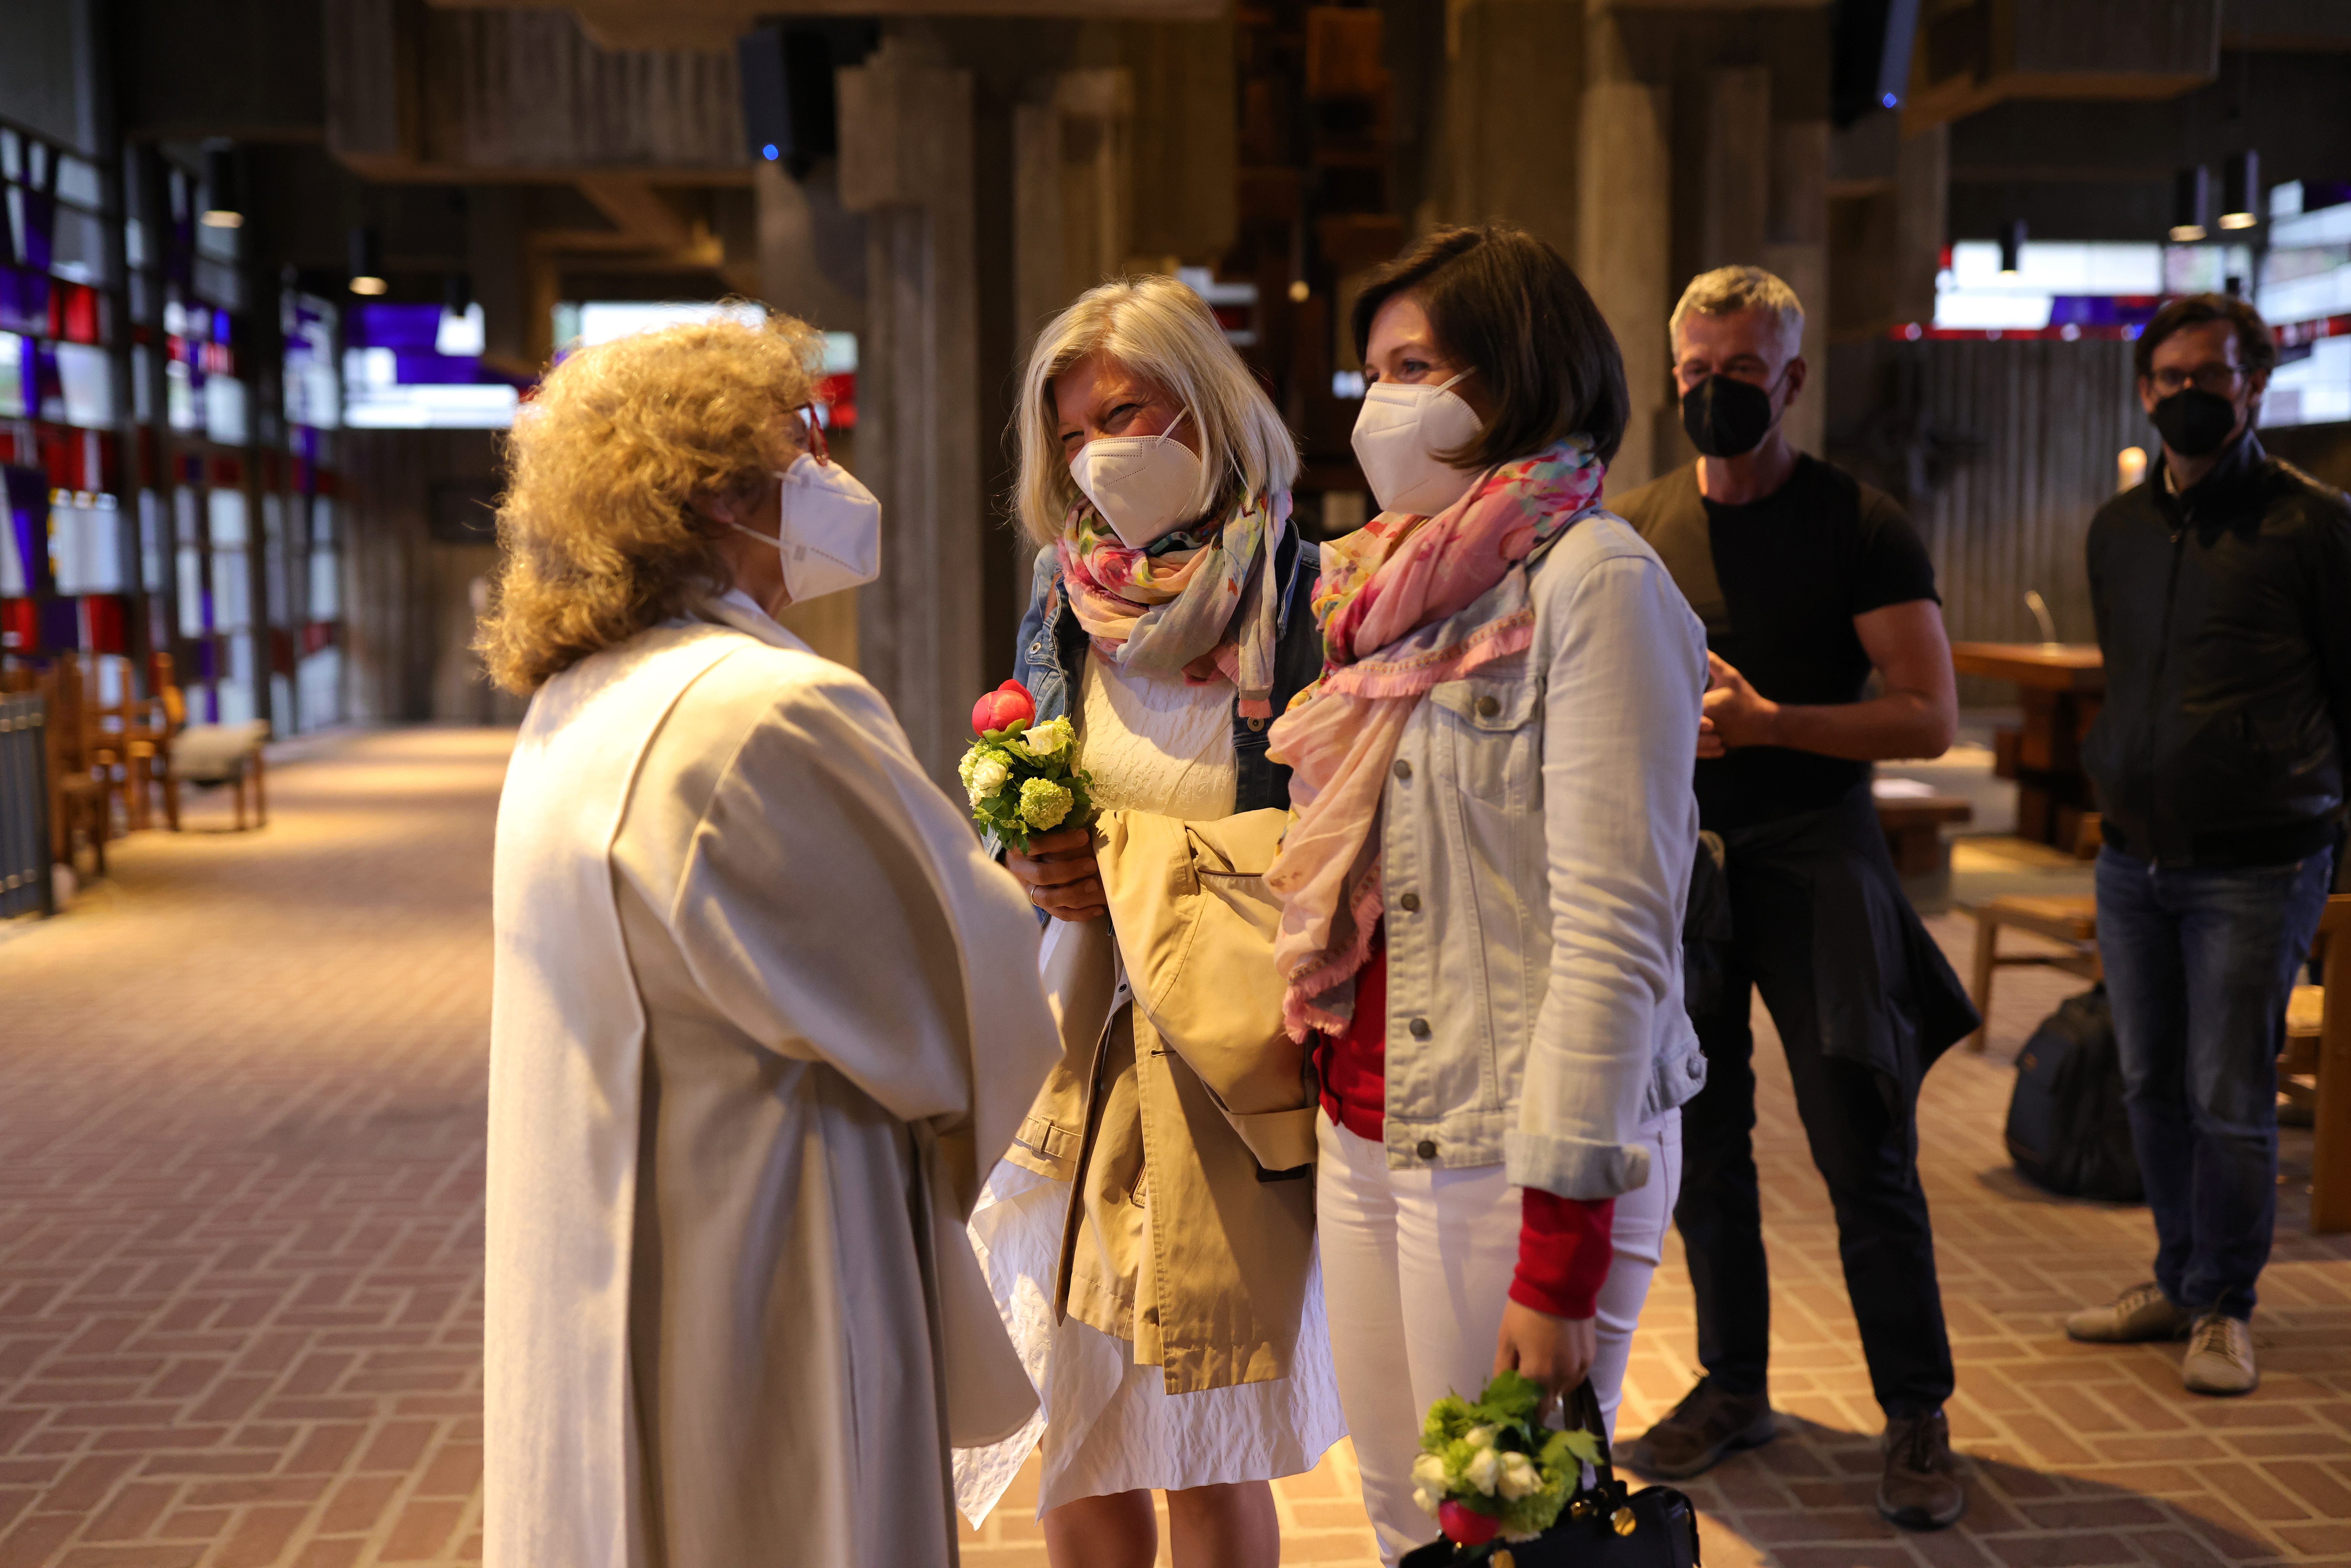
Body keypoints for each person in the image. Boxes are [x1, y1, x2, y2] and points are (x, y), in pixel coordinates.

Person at [475, 313, 1059, 1568]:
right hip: (778, 1248)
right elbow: (969, 992)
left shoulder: (582, 700)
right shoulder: (762, 712)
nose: (826, 478)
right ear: (720, 491)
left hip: (619, 1238)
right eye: (805, 445)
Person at [1265, 222, 1708, 1567]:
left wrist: (1559, 1254)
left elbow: (1614, 937)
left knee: (1507, 1527)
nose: (1380, 402)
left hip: (1512, 1152)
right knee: (1407, 1515)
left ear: (1514, 374)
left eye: (1416, 365)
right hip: (1368, 1123)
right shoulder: (1380, 589)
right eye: (1372, 370)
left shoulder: (1596, 583)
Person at [963, 275, 1345, 1568]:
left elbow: (1340, 834)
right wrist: (1031, 854)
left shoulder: (1305, 594)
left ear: (1206, 407)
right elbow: (1026, 795)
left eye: (1123, 412)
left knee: (1209, 1425)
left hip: (1223, 1056)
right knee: (1071, 1418)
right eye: (1069, 432)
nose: (1094, 454)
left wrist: (1136, 865)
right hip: (1068, 1039)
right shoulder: (1062, 590)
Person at [1610, 265, 1979, 1530]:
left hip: (1819, 860)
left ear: (1793, 380)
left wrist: (1771, 723)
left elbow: (1926, 716)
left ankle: (1916, 1413)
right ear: (1671, 378)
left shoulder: (1859, 524)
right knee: (1699, 1146)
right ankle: (1733, 1382)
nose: (1716, 393)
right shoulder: (1641, 523)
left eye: (1742, 375)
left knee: (1859, 1143)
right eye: (1696, 375)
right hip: (1686, 874)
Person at [2066, 293, 2351, 1396]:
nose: (2188, 394)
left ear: (2255, 386)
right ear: (2144, 390)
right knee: (2149, 1085)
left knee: (2231, 1094)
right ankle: (2179, 1278)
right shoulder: (2118, 530)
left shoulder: (2312, 523)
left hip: (2257, 858)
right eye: (2169, 378)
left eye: (2211, 377)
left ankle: (2227, 1304)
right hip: (2132, 856)